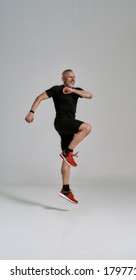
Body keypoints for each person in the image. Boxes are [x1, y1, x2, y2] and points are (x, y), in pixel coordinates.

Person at [25, 69, 93, 204]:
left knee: (67, 161)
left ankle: (65, 189)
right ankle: (67, 152)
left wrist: (73, 91)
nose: (72, 79)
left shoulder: (76, 91)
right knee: (87, 128)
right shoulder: (57, 89)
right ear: (63, 79)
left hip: (66, 128)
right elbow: (40, 97)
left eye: (74, 77)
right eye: (69, 77)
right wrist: (31, 112)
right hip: (61, 122)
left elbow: (90, 95)